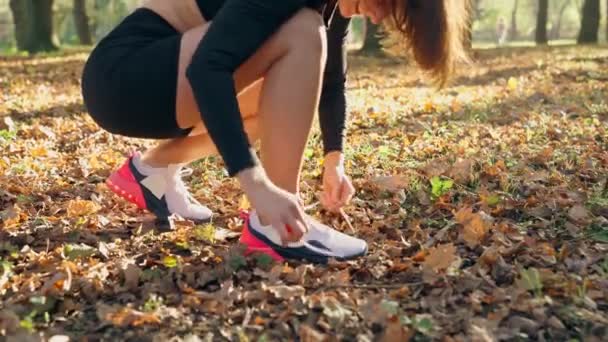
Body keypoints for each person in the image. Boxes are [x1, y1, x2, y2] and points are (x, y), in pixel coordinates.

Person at [81, 0, 469, 264]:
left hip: (157, 82)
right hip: (126, 76)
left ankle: (152, 170)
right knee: (303, 31)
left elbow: (330, 80)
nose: (381, 17)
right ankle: (278, 227)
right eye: (388, 2)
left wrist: (334, 160)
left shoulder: (331, 4)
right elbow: (207, 69)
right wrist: (257, 184)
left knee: (283, 99)